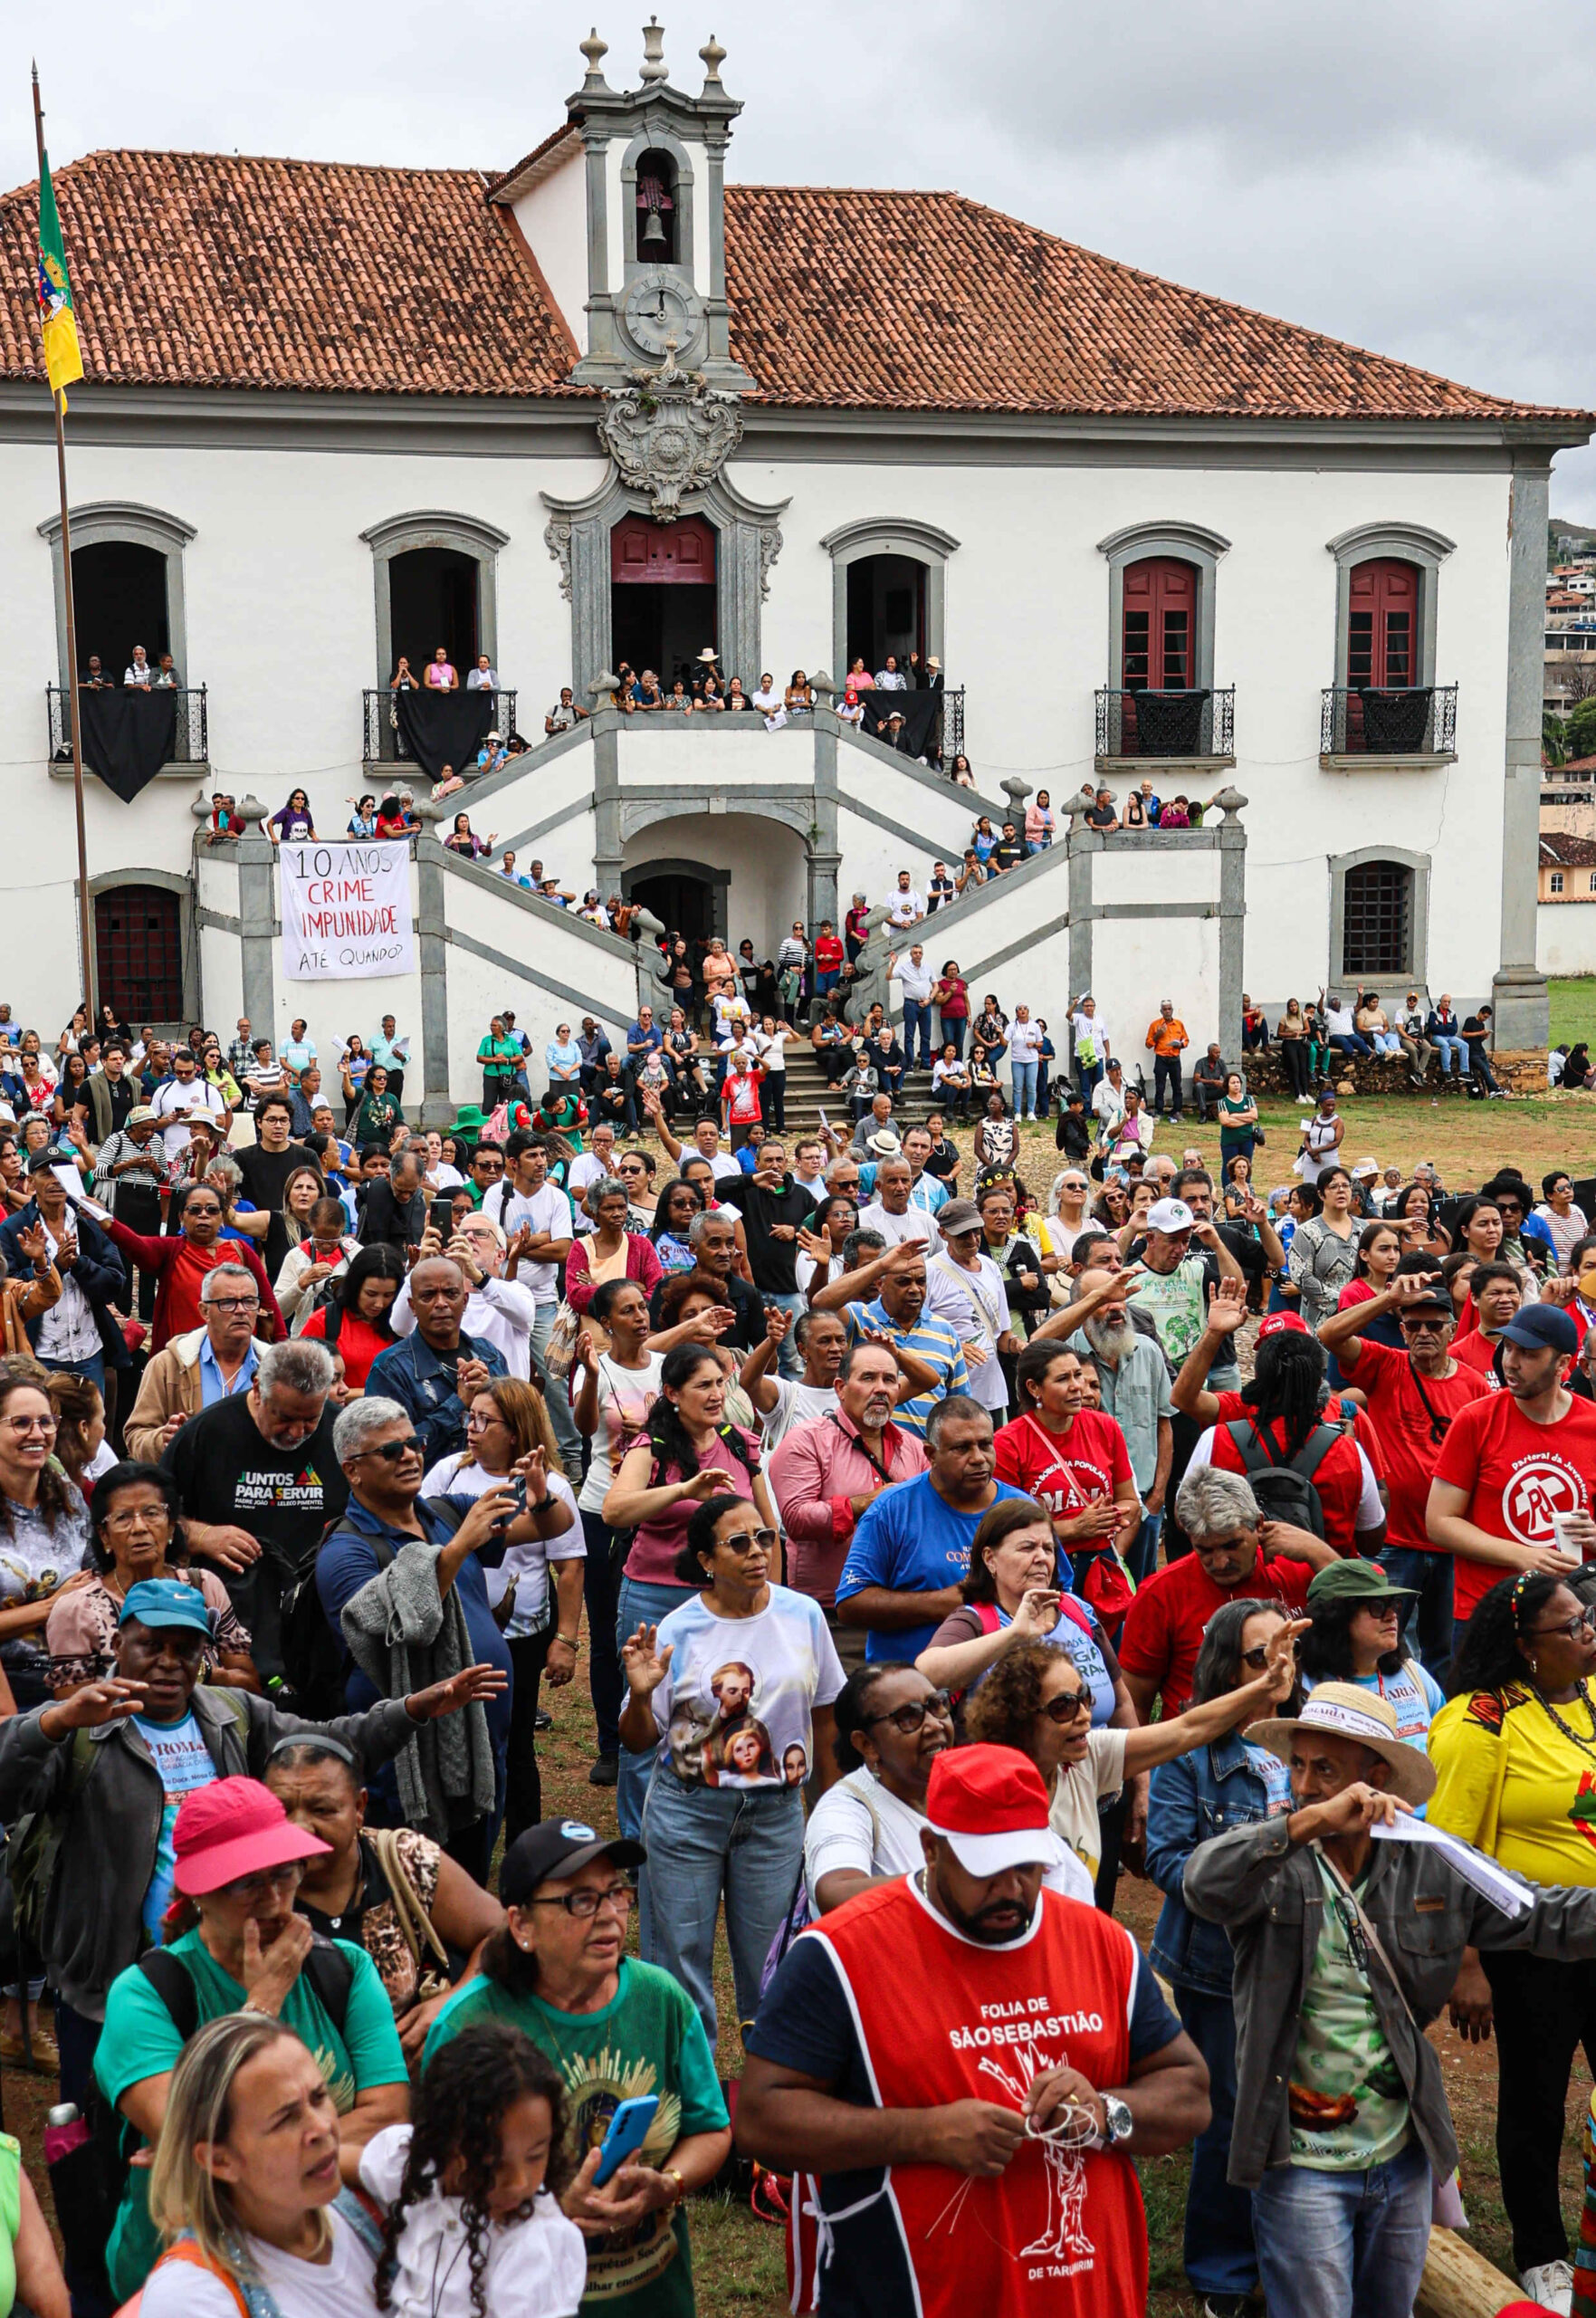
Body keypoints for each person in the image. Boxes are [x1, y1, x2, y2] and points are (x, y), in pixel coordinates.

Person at [738, 1744, 1209, 2318]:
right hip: (910, 2293)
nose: (1010, 1888)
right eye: (986, 1868)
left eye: (1027, 1865)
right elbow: (761, 2119)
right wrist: (927, 2134)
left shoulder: (1101, 1945)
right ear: (931, 1848)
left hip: (1083, 2297)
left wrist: (1105, 2113)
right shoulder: (841, 1954)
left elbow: (1189, 2093)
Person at [1185, 1678, 1596, 2318]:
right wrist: (1306, 1824)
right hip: (1297, 2162)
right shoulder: (1274, 1860)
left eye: (1326, 1769)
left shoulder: (1431, 1863)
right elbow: (1200, 1883)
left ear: (1375, 1777)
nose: (1304, 1785)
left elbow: (1540, 1914)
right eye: (1297, 1765)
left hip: (1401, 2155)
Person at [96, 1772, 409, 2301]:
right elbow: (190, 2129)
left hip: (323, 2251)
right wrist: (263, 2002)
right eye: (245, 1882)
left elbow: (390, 2115)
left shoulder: (345, 1969)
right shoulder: (146, 1995)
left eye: (284, 1872)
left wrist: (255, 2148)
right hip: (191, 2269)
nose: (272, 1899)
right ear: (198, 1891)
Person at [423, 1817, 732, 2314]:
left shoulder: (661, 1999)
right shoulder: (468, 2027)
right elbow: (437, 2193)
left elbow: (711, 2129)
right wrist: (546, 2214)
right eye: (581, 1900)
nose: (609, 1915)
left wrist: (667, 2185)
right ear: (521, 1925)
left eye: (616, 1893)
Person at [619, 1495, 845, 2044]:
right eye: (739, 1543)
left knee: (775, 1969)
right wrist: (641, 1696)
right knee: (680, 1961)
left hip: (775, 1814)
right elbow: (639, 1739)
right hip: (687, 1811)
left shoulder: (803, 1615)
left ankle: (771, 2084)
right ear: (706, 1560)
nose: (757, 1551)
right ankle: (688, 2083)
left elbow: (826, 1717)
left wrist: (829, 1806)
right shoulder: (678, 1629)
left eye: (763, 1538)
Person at [1144, 1595, 1299, 2315]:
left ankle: (1293, 2254)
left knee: (1301, 2107)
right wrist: (1253, 1878)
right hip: (1217, 1963)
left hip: (1304, 1956)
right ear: (1225, 1668)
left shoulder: (1309, 1742)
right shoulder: (1192, 1755)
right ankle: (1223, 2275)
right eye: (1260, 1654)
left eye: (1287, 1648)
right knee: (1231, 2115)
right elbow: (1167, 1863)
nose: (1279, 1666)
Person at [965, 1610, 1299, 1895]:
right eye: (1063, 1706)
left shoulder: (1086, 1758)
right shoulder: (989, 1792)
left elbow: (1189, 1729)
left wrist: (1266, 1685)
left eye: (1085, 1698)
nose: (1084, 1716)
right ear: (1021, 1719)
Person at [602, 1345, 776, 1844]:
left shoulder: (739, 1443)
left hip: (729, 1601)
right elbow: (615, 1510)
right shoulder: (652, 1446)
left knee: (723, 1707)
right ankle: (640, 1842)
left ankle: (709, 1822)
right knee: (646, 1713)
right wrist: (684, 1490)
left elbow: (767, 1529)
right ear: (673, 1394)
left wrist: (774, 1598)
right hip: (655, 1596)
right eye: (704, 1385)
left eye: (721, 1383)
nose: (717, 1394)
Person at [136, 2013, 387, 2318]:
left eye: (319, 2097)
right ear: (219, 2161)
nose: (322, 2127)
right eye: (285, 2119)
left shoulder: (369, 2208)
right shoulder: (189, 2298)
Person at [263, 1737, 505, 2052]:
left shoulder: (404, 1860)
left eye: (321, 1810)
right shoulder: (246, 1888)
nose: (300, 1827)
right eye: (282, 1811)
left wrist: (454, 2003)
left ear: (359, 1808)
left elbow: (501, 1932)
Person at [421, 1376, 581, 1840]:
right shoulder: (448, 1473)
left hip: (519, 1638)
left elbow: (569, 1567)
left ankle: (523, 1843)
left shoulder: (550, 1486)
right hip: (454, 1631)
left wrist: (565, 1640)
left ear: (515, 1431)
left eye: (484, 1421)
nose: (470, 1429)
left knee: (515, 1744)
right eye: (469, 1417)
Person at [1317, 1267, 1491, 1676]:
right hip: (1394, 1540)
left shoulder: (1475, 1387)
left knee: (1447, 1649)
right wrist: (1389, 1299)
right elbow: (1329, 1335)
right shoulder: (1385, 1364)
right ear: (1403, 1330)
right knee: (1382, 1645)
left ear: (1452, 1331)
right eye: (1414, 1326)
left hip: (1451, 1543)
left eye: (1434, 1325)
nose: (1424, 1333)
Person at [1427, 1302, 1596, 1652]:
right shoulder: (1476, 1419)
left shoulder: (1591, 1425)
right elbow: (1440, 1521)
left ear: (1562, 1364)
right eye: (1508, 1348)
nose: (1511, 1362)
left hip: (1573, 1620)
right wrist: (1522, 1555)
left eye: (1528, 1354)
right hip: (1489, 1612)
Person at [1119, 1464, 1334, 1719]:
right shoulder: (1160, 1595)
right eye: (1205, 1550)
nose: (1220, 1562)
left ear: (1259, 1525)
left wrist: (1322, 1555)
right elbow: (1134, 1702)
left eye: (1232, 1545)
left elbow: (1363, 1629)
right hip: (1203, 1739)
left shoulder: (1298, 1569)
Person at [835, 1396, 1028, 1662]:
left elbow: (1058, 1593)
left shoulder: (1021, 1510)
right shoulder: (893, 1510)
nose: (978, 1458)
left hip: (1005, 1678)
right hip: (911, 1680)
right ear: (930, 1454)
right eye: (961, 1448)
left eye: (985, 1445)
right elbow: (850, 1604)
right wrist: (942, 1603)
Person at [46, 1457, 258, 1695]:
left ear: (171, 1527)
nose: (139, 1528)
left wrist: (204, 1673)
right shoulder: (78, 1610)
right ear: (104, 1536)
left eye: (152, 1513)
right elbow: (73, 1710)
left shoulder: (203, 1586)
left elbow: (250, 1688)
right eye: (123, 1517)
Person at [802, 1664, 952, 1912]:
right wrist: (949, 1882)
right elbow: (835, 1891)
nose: (935, 1725)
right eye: (908, 1717)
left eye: (937, 1705)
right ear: (867, 1745)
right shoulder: (845, 1809)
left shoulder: (962, 1788)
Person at [992, 1339, 1139, 1589]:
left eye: (1078, 1375)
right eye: (1062, 1379)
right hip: (1041, 1570)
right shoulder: (1008, 1443)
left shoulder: (1105, 1427)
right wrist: (1073, 1528)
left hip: (1101, 1567)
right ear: (1034, 1388)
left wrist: (1111, 1519)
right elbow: (1004, 1528)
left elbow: (1129, 1500)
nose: (1077, 1387)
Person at [106, 1177, 281, 1352]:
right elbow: (134, 1244)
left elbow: (269, 1302)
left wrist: (283, 1348)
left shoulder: (241, 1251)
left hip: (238, 1356)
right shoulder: (170, 1250)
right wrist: (105, 1220)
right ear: (181, 1217)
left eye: (212, 1210)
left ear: (222, 1218)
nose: (203, 1215)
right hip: (183, 1359)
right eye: (195, 1209)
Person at [366, 1256, 509, 1463]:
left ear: (465, 1301)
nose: (441, 1303)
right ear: (412, 1306)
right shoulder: (390, 1369)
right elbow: (388, 1453)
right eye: (428, 1296)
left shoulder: (490, 1356)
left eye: (451, 1294)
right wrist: (458, 1404)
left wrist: (493, 1396)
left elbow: (517, 1430)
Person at [1297, 1557, 1442, 1753]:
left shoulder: (1414, 1674)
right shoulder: (1304, 1687)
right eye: (1378, 1607)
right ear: (1337, 1618)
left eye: (1394, 1605)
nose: (1392, 1615)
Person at [297, 1240, 406, 1392]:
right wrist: (365, 1394)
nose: (379, 1304)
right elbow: (299, 1383)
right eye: (371, 1294)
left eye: (388, 1295)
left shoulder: (402, 1324)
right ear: (356, 1286)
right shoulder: (325, 1321)